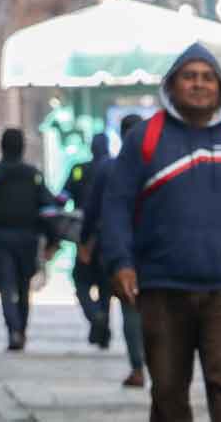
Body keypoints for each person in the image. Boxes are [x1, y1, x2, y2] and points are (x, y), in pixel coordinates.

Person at [101, 43, 221, 422]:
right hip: (162, 286)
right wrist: (120, 262)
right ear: (172, 86)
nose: (199, 85)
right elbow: (116, 206)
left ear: (220, 86)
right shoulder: (146, 138)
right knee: (168, 391)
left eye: (207, 78)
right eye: (189, 77)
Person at [0, 128, 61, 351]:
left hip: (0, 237)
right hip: (28, 238)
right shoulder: (33, 175)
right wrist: (51, 239)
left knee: (5, 286)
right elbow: (49, 208)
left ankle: (14, 330)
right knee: (23, 286)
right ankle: (21, 330)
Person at [80, 115, 145, 387]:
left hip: (121, 249)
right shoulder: (159, 165)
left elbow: (93, 210)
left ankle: (138, 368)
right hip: (155, 249)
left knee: (131, 308)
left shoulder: (109, 168)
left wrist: (85, 242)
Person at [67, 134, 112, 349]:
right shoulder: (117, 170)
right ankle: (103, 331)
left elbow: (62, 196)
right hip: (111, 238)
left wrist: (83, 239)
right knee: (106, 286)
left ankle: (95, 316)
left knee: (81, 281)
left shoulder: (80, 170)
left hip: (88, 234)